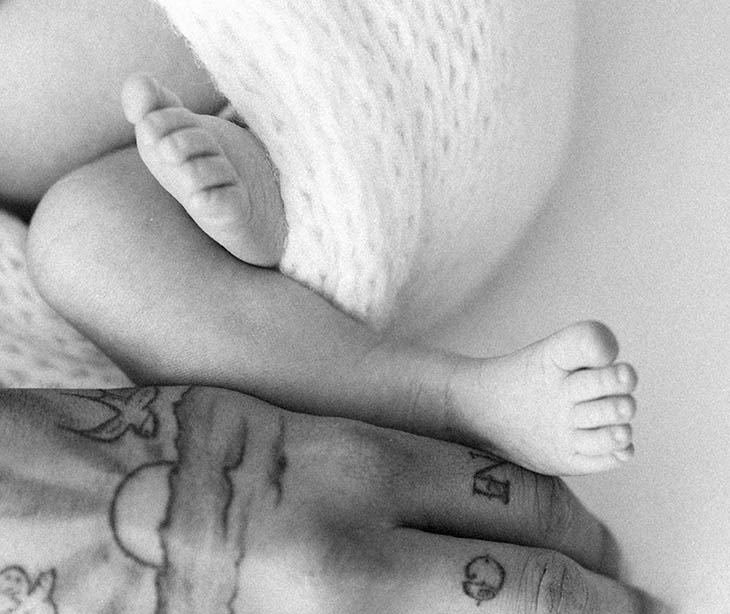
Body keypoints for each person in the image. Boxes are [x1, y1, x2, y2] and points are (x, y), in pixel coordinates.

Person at [0, 0, 673, 614]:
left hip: (407, 73)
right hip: (412, 109)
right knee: (87, 235)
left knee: (81, 227)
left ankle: (428, 370)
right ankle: (445, 387)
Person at [11, 0, 635, 477]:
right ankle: (262, 179)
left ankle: (270, 173)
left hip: (413, 73)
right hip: (420, 142)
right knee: (84, 240)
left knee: (62, 187)